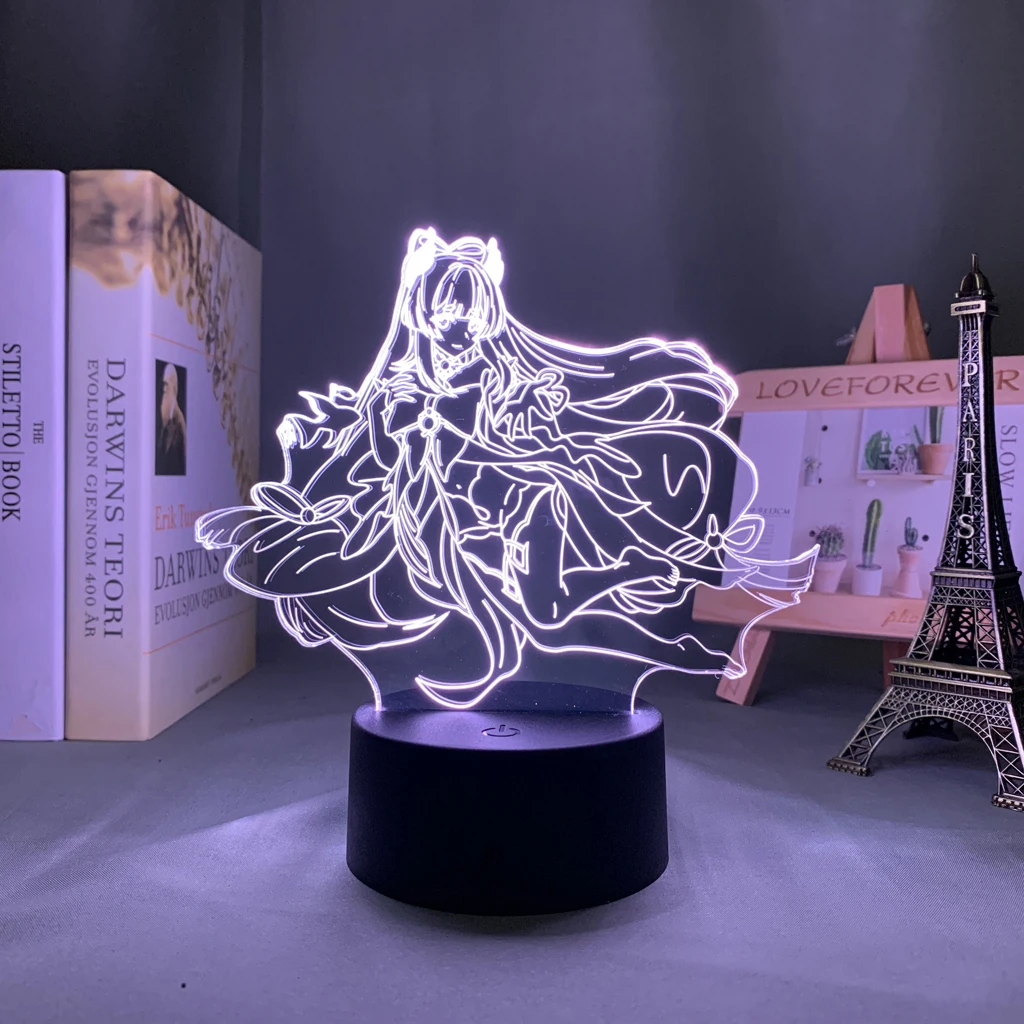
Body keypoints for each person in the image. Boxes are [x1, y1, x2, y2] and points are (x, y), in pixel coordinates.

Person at [197, 229, 815, 708]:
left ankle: (696, 571)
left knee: (567, 489)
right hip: (435, 502)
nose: (459, 330)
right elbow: (381, 457)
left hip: (500, 485)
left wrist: (533, 414)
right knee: (546, 582)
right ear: (422, 316)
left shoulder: (490, 372)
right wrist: (402, 427)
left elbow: (504, 437)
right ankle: (684, 602)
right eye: (447, 317)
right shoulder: (401, 385)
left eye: (470, 318)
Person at [156, 362, 186, 475]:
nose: (164, 388)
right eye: (163, 384)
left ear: (173, 387)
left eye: (166, 384)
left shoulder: (179, 421)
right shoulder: (166, 419)